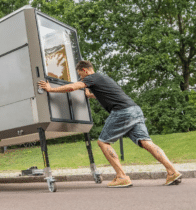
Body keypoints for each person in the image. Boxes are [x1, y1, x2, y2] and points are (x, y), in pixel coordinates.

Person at [38, 60, 182, 187]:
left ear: (84, 70)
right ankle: (172, 171)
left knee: (103, 142)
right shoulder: (102, 78)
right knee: (146, 142)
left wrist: (51, 89)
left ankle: (121, 176)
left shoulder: (91, 77)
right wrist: (89, 94)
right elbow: (104, 93)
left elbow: (73, 87)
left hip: (122, 112)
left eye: (80, 74)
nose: (81, 77)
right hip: (135, 110)